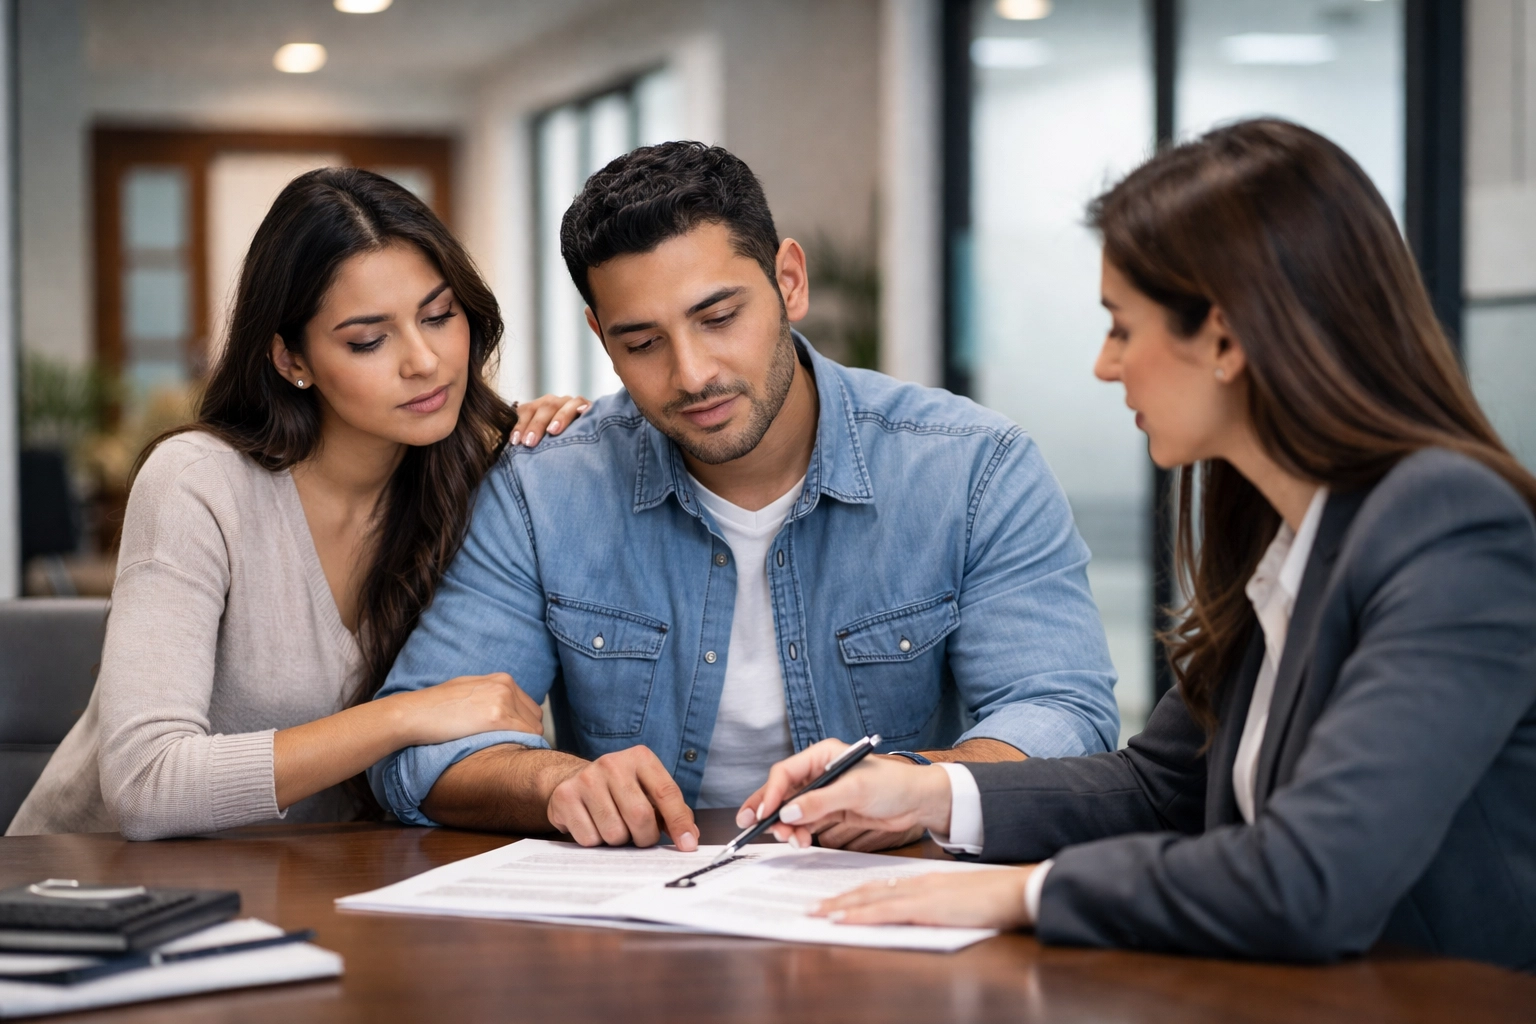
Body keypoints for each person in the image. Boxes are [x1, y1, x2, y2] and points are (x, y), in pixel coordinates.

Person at [743, 119, 1536, 972]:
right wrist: (927, 790)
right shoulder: (1285, 529)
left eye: (1122, 326)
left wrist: (1025, 892)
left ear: (1227, 339)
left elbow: (1312, 880)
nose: (1104, 365)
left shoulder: (1449, 527)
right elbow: (1159, 788)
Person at [369, 141, 1121, 852]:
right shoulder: (543, 489)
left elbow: (1063, 713)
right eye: (642, 342)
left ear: (788, 281)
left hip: (896, 913)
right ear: (601, 337)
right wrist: (557, 783)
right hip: (640, 928)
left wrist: (920, 788)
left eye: (719, 317)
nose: (692, 373)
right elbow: (423, 755)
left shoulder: (973, 467)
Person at [8, 168, 586, 840]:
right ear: (291, 359)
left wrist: (562, 451)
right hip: (88, 891)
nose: (424, 361)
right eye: (368, 340)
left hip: (307, 888)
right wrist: (403, 715)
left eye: (438, 315)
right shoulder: (198, 484)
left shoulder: (482, 482)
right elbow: (145, 786)